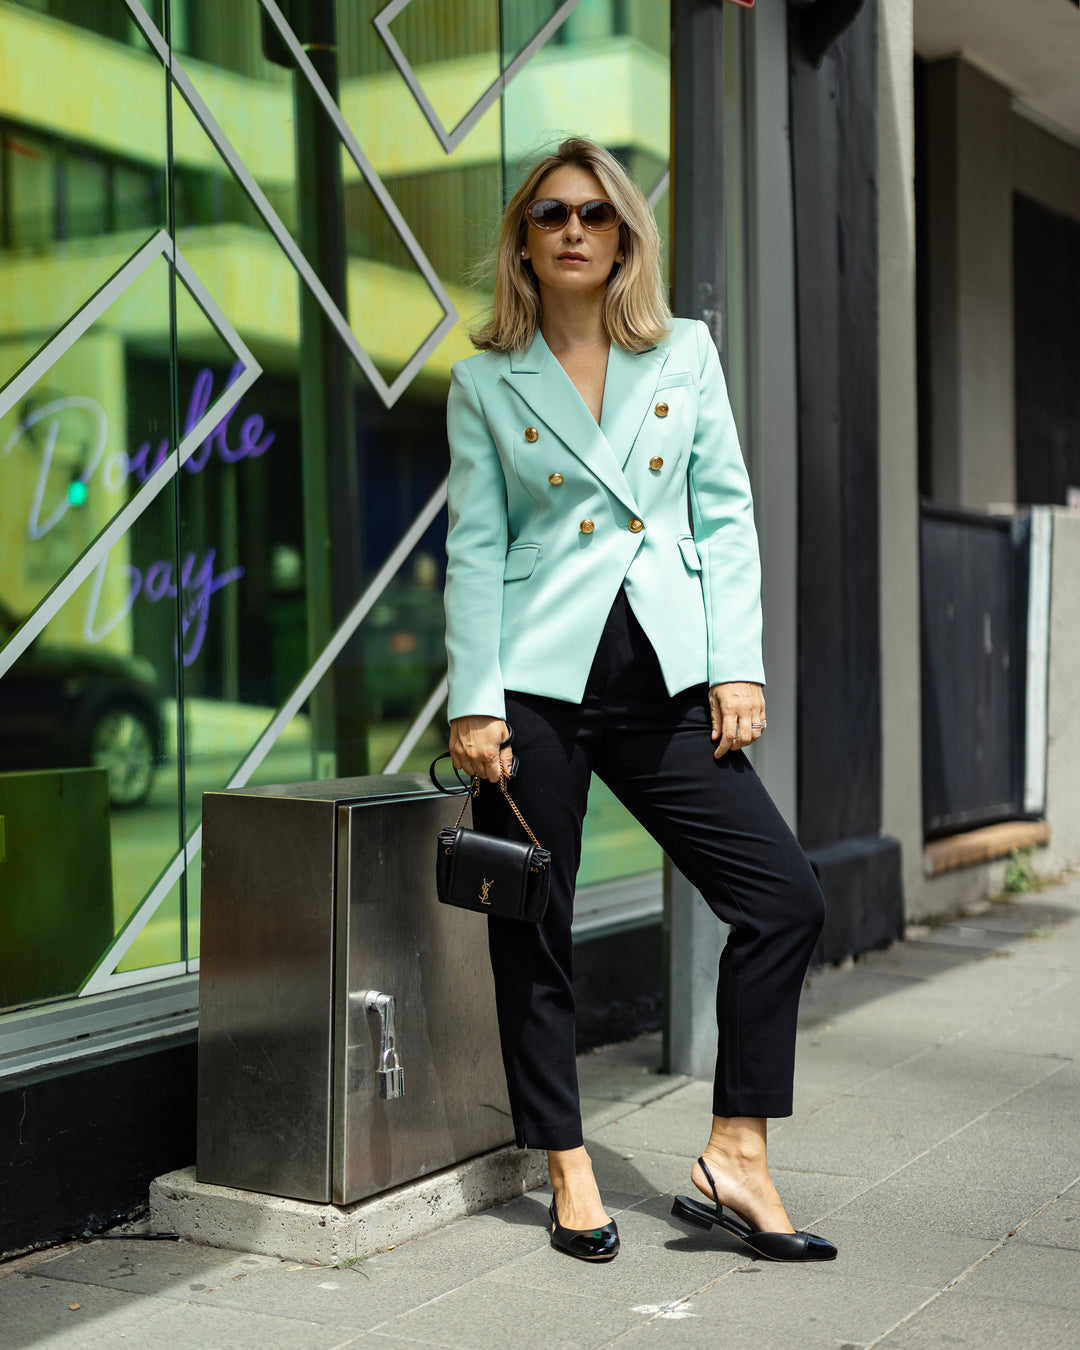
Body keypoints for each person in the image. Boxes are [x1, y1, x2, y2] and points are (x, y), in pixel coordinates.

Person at [443, 137, 835, 1265]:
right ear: (525, 238)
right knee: (537, 922)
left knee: (784, 896)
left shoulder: (686, 355)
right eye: (552, 212)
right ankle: (564, 1162)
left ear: (624, 238)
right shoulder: (482, 383)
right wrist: (476, 702)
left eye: (597, 214)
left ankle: (737, 1153)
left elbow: (726, 517)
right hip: (534, 687)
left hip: (666, 678)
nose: (575, 228)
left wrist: (738, 664)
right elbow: (474, 550)